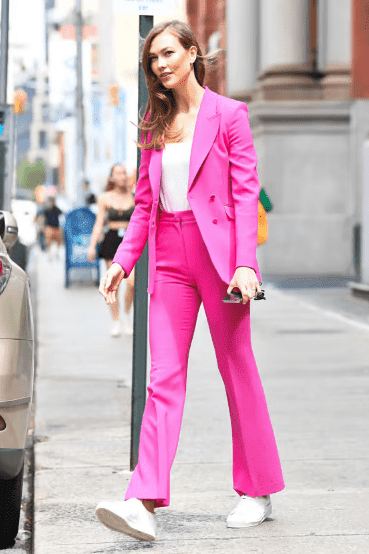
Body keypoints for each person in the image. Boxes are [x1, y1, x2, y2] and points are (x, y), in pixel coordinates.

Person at [95, 19, 285, 542]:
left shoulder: (230, 115)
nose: (161, 63)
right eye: (153, 57)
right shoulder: (153, 123)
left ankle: (256, 490)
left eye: (169, 52)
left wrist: (246, 262)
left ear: (192, 53)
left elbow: (246, 194)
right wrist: (122, 260)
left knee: (236, 367)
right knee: (164, 377)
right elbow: (143, 204)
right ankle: (144, 499)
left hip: (221, 256)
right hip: (170, 257)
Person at [87, 164, 135, 337]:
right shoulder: (105, 198)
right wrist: (92, 246)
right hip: (112, 240)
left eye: (124, 172)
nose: (122, 176)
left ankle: (126, 316)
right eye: (118, 173)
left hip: (130, 240)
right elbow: (99, 223)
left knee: (132, 283)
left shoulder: (134, 196)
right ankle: (115, 321)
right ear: (112, 177)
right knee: (113, 283)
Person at [42, 196, 63, 261]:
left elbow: (62, 216)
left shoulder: (57, 209)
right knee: (49, 243)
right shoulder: (46, 210)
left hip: (56, 228)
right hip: (49, 228)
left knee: (58, 243)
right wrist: (43, 227)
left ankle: (57, 254)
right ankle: (49, 255)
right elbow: (43, 218)